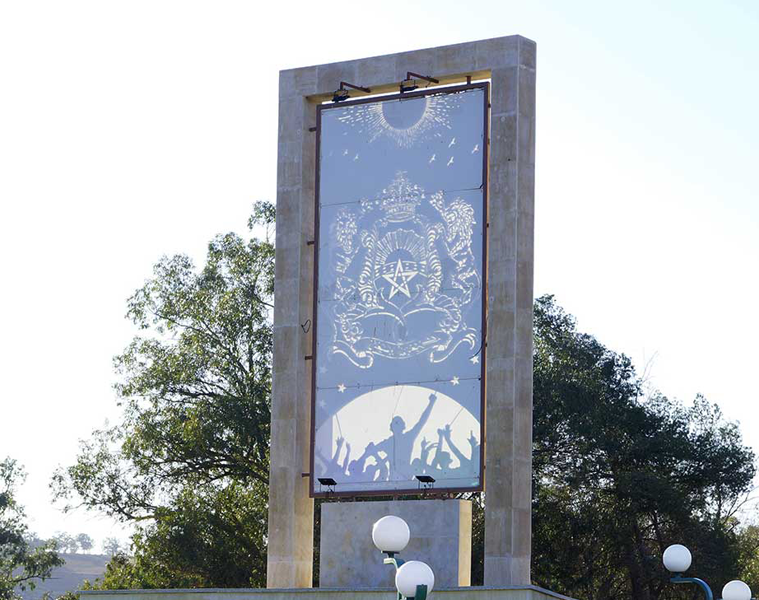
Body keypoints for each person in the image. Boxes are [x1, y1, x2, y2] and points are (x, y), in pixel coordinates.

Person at [372, 392, 437, 480]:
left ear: (403, 426)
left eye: (398, 423)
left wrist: (431, 403)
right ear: (391, 427)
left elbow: (421, 422)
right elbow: (371, 450)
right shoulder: (387, 442)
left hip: (406, 478)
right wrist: (378, 458)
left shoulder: (408, 437)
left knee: (416, 463)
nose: (396, 425)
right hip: (393, 479)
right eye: (395, 423)